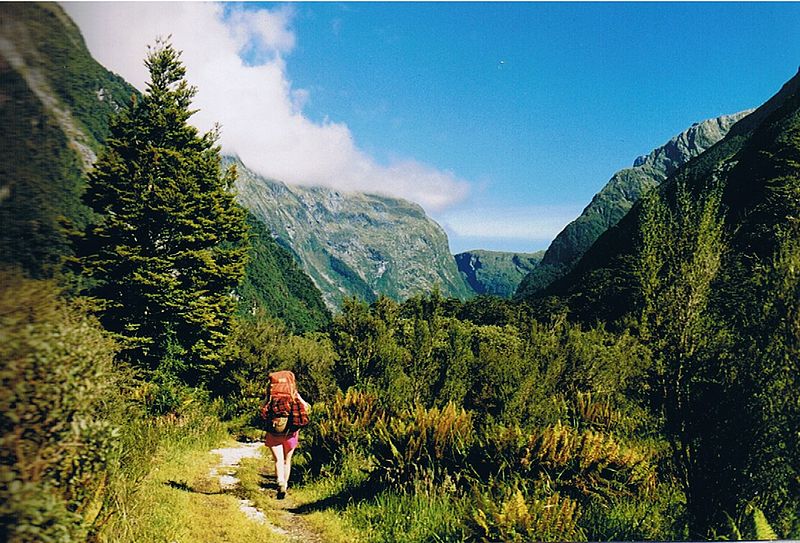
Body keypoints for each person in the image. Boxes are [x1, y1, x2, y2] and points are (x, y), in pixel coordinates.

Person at [264, 390, 310, 499]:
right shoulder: (294, 395)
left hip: (274, 432)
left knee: (278, 460)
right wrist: (298, 397)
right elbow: (307, 408)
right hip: (291, 433)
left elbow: (262, 410)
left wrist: (267, 398)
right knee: (286, 460)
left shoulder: (271, 396)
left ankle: (280, 481)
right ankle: (285, 484)